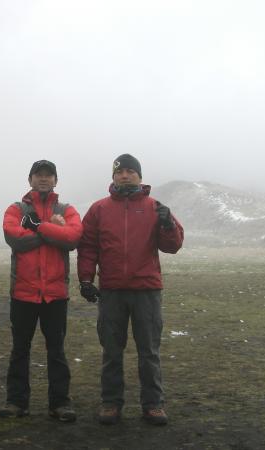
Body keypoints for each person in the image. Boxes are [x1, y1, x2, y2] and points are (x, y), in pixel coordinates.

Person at [77, 154, 184, 426]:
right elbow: (88, 246)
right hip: (112, 291)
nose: (124, 176)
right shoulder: (99, 209)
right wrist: (86, 279)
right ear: (113, 176)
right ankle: (111, 403)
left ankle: (153, 404)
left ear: (140, 176)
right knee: (111, 350)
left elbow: (172, 246)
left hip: (146, 290)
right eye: (119, 172)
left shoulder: (155, 207)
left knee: (149, 351)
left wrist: (168, 225)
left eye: (130, 171)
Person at [0, 160, 83, 422]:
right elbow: (14, 238)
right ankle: (16, 402)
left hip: (55, 295)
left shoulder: (66, 209)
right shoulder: (16, 208)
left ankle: (60, 403)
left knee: (56, 351)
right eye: (39, 175)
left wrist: (36, 226)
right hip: (23, 293)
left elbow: (73, 238)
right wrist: (53, 230)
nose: (43, 179)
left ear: (56, 180)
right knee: (20, 350)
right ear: (30, 179)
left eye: (49, 175)